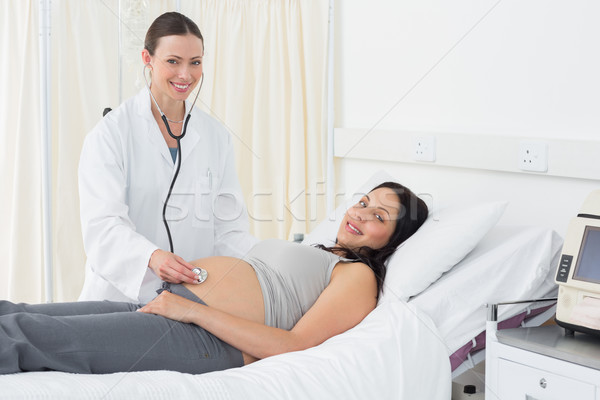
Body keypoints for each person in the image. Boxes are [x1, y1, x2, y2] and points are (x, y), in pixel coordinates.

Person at [0, 182, 428, 375]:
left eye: (379, 216)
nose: (359, 213)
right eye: (362, 202)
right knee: (18, 315)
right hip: (171, 310)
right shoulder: (320, 252)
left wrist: (190, 311)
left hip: (204, 339)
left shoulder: (359, 277)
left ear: (394, 238)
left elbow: (292, 346)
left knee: (27, 336)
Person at [78, 12, 257, 304]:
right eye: (173, 61)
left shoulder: (216, 137)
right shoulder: (111, 134)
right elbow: (103, 227)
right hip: (118, 299)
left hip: (189, 301)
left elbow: (228, 229)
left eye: (195, 62)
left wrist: (267, 262)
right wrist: (151, 256)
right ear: (147, 58)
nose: (185, 75)